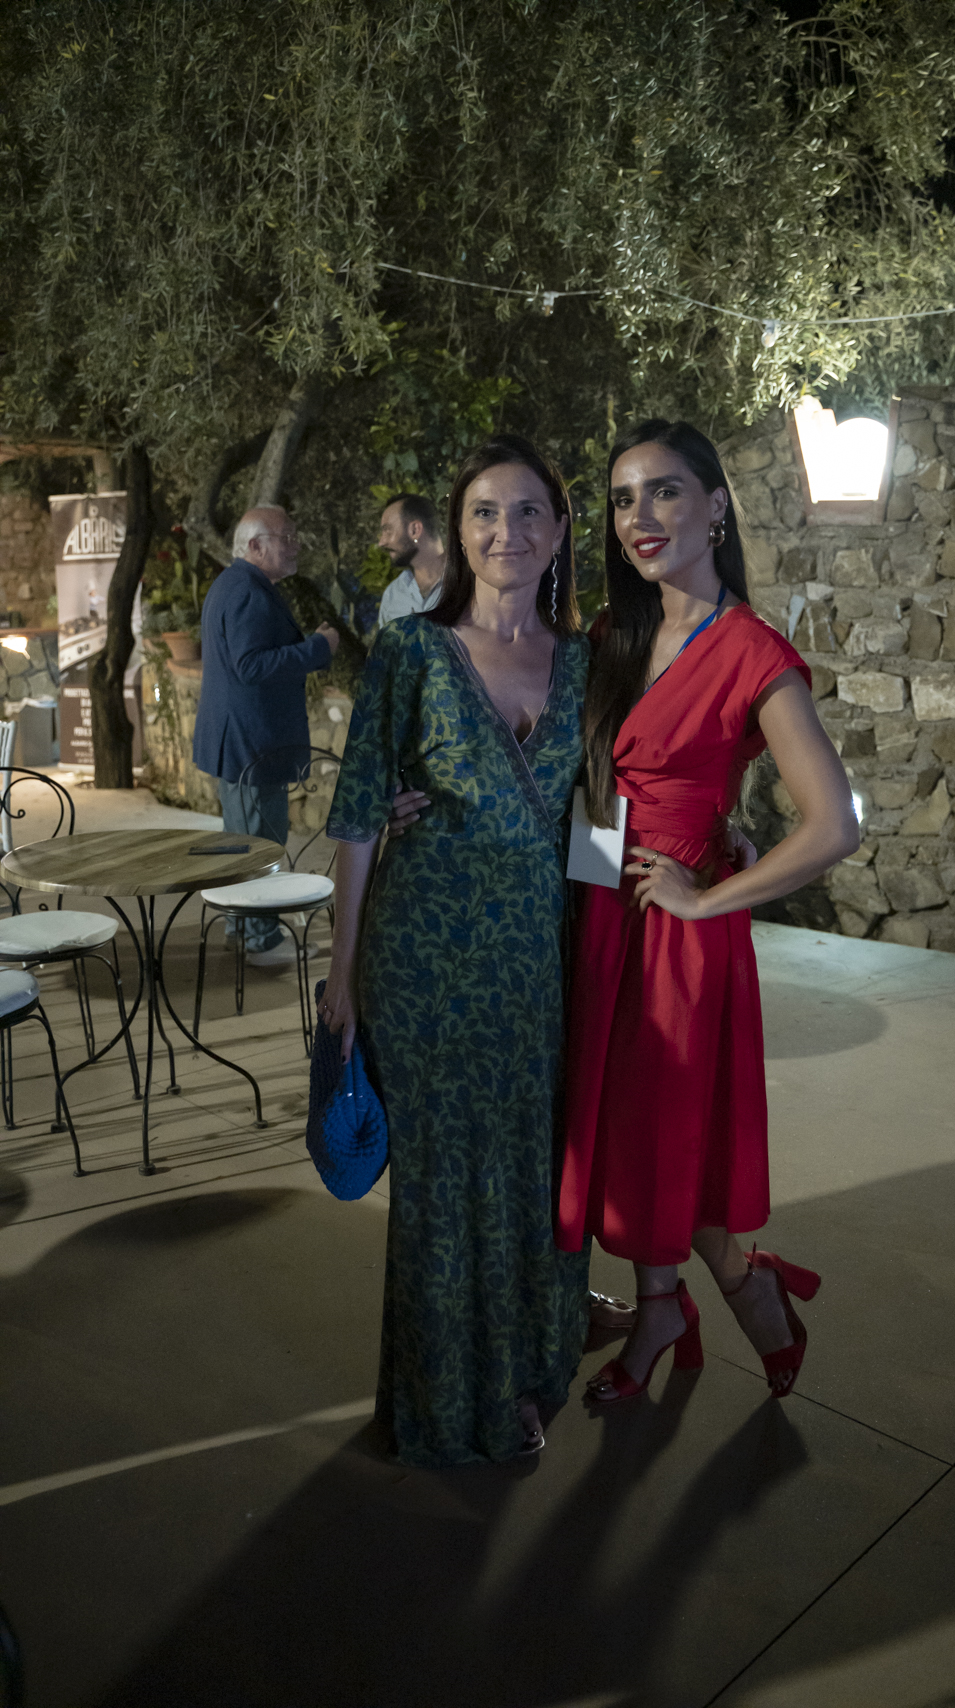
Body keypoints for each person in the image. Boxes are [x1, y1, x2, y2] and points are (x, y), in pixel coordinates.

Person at [555, 420, 860, 1403]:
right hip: (601, 910)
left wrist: (706, 897)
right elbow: (584, 778)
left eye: (664, 491)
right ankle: (667, 1306)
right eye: (622, 498)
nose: (638, 515)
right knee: (622, 1133)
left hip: (677, 933)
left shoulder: (750, 651)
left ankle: (730, 1288)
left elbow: (834, 824)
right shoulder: (613, 633)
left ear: (715, 506)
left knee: (666, 1129)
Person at [320, 436, 593, 1466]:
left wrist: (709, 847)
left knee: (529, 1173)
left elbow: (605, 815)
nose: (504, 532)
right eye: (484, 511)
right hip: (421, 957)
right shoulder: (409, 652)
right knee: (439, 1189)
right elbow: (356, 815)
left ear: (558, 532)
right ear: (456, 527)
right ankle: (440, 1401)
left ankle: (522, 1377)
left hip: (534, 961)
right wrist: (341, 973)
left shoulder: (586, 664)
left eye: (526, 512)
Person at [192, 505, 340, 966]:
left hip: (241, 742)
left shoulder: (235, 584)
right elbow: (250, 666)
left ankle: (242, 930)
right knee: (260, 845)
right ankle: (261, 941)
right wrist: (318, 648)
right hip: (253, 745)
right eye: (286, 537)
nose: (296, 545)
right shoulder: (247, 590)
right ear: (255, 545)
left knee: (241, 843)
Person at [376, 493, 445, 627]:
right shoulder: (393, 595)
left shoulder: (470, 582)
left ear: (415, 530)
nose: (381, 543)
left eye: (388, 531)